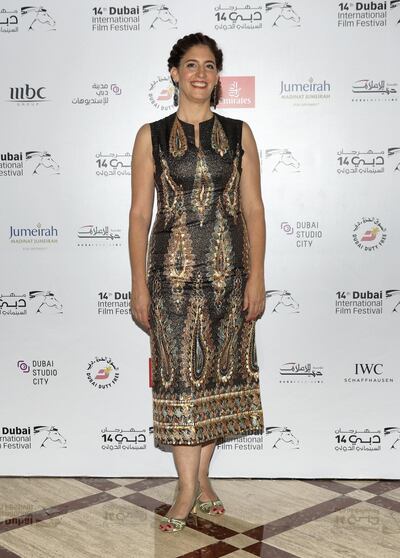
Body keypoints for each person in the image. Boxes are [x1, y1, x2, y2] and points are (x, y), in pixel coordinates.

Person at [128, 32, 266, 532]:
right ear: (174, 74)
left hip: (229, 277)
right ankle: (187, 489)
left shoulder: (240, 132)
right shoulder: (152, 135)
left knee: (216, 379)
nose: (200, 74)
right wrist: (138, 285)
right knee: (180, 379)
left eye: (209, 66)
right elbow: (140, 213)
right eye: (190, 65)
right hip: (170, 278)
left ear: (217, 76)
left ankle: (203, 476)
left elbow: (253, 208)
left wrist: (257, 276)